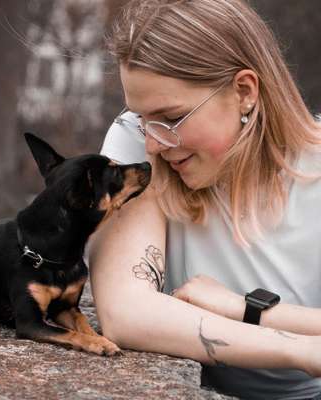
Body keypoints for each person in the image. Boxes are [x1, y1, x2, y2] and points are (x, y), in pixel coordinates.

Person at [88, 0, 321, 399]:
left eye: (171, 118)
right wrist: (301, 349)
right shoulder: (135, 143)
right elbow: (125, 312)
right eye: (143, 119)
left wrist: (247, 310)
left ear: (244, 92)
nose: (153, 144)